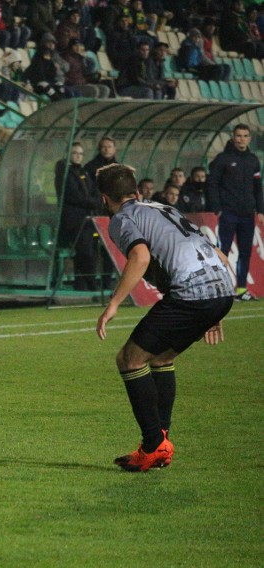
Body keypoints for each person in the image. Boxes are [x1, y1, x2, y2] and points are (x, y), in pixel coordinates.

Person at [95, 163, 234, 472]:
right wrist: (215, 307)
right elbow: (218, 253)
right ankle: (161, 442)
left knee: (130, 359)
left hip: (191, 292)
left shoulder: (122, 218)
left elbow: (140, 256)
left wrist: (114, 303)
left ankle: (152, 445)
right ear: (134, 190)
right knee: (159, 358)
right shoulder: (162, 207)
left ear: (105, 198)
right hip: (221, 287)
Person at [206, 123, 264, 301]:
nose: (242, 139)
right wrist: (217, 208)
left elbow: (257, 187)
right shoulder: (222, 159)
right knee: (223, 250)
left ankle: (241, 290)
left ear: (249, 138)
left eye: (245, 136)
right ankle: (221, 288)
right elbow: (212, 184)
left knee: (246, 252)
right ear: (233, 137)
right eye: (239, 136)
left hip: (247, 214)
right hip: (229, 213)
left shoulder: (253, 160)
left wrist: (260, 210)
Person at [54, 142, 102, 290]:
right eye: (75, 153)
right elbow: (74, 196)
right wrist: (93, 202)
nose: (78, 156)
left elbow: (94, 191)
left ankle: (82, 284)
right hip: (74, 221)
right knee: (84, 251)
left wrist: (95, 201)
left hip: (88, 220)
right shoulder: (65, 173)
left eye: (80, 154)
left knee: (90, 251)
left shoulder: (84, 172)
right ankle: (92, 283)